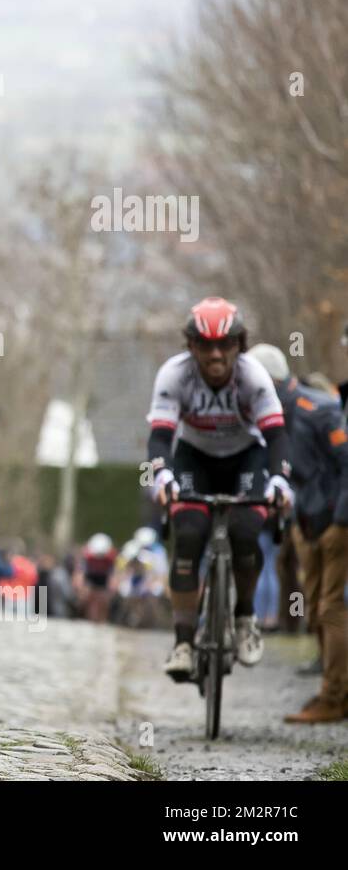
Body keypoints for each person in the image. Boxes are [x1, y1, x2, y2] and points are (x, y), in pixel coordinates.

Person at [146, 298, 292, 682]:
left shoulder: (254, 376)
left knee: (246, 534)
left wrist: (279, 479)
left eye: (224, 344)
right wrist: (162, 476)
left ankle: (245, 616)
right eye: (205, 345)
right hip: (195, 458)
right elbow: (160, 438)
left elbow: (277, 436)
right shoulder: (173, 375)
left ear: (238, 346)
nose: (215, 354)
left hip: (247, 457)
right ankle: (182, 643)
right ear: (191, 346)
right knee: (189, 536)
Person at [248, 343, 348, 723]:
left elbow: (345, 465)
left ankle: (335, 696)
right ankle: (334, 689)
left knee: (331, 607)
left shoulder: (317, 410)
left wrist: (340, 522)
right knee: (316, 609)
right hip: (308, 525)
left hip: (334, 524)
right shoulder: (269, 417)